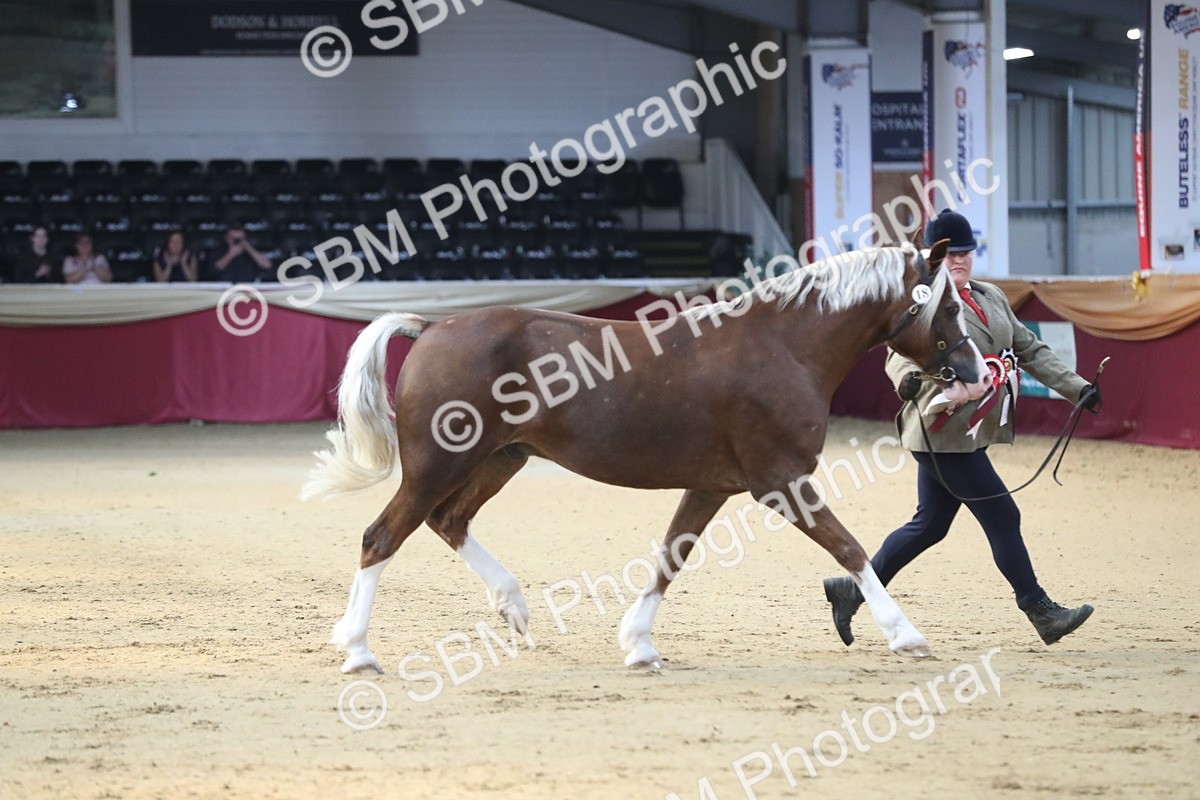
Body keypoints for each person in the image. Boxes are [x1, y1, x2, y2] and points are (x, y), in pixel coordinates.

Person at [822, 208, 1102, 648]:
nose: (960, 261)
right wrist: (909, 380)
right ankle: (1039, 609)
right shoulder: (920, 303)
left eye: (966, 253)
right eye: (951, 255)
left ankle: (852, 590)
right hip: (940, 431)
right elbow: (898, 355)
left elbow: (1028, 348)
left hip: (969, 432)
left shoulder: (990, 297)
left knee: (930, 524)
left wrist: (1077, 388)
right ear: (933, 258)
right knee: (1003, 515)